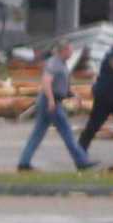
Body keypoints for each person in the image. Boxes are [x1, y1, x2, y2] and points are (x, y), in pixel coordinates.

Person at [21, 39, 91, 171]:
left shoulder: (62, 64)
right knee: (67, 133)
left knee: (37, 134)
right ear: (63, 50)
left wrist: (73, 95)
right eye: (69, 50)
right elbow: (46, 82)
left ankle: (24, 162)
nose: (71, 52)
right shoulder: (54, 63)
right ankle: (81, 161)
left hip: (52, 100)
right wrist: (51, 100)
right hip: (50, 102)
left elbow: (61, 85)